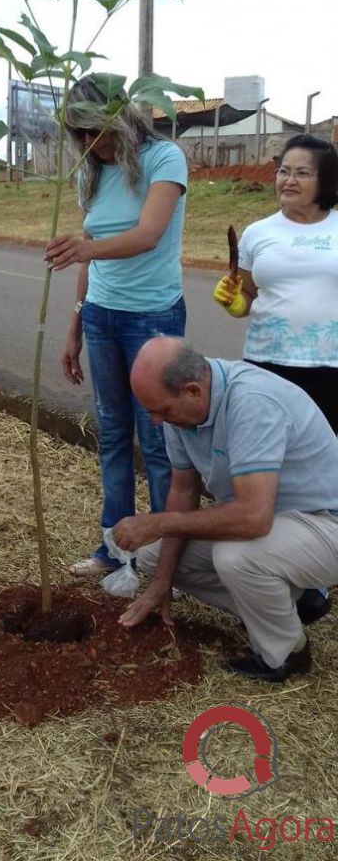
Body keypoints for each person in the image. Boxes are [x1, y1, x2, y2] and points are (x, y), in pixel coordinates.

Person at [113, 337, 338, 683]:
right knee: (154, 557)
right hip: (281, 528)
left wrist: (158, 522)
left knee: (237, 557)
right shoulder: (180, 417)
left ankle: (286, 652)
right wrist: (162, 582)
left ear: (193, 391)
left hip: (325, 522)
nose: (156, 421)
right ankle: (286, 603)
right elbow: (184, 491)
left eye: (162, 410)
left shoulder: (251, 402)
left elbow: (252, 518)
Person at [44, 74, 188, 577]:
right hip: (102, 315)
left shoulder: (163, 159)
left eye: (93, 131)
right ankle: (113, 547)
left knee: (157, 440)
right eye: (76, 135)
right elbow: (90, 255)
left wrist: (86, 248)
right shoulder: (92, 170)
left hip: (152, 317)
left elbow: (148, 234)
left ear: (121, 119)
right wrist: (75, 324)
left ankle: (163, 554)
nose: (86, 144)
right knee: (111, 434)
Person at [213, 133, 338, 620]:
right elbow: (246, 303)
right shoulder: (258, 233)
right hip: (267, 368)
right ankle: (284, 572)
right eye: (283, 170)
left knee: (325, 476)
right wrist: (235, 302)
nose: (288, 179)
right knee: (272, 474)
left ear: (325, 181)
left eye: (301, 172)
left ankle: (319, 572)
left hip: (330, 370)